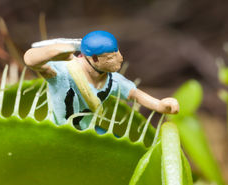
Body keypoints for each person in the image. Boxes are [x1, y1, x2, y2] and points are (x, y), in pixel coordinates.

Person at [24, 30, 179, 130]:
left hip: (87, 130)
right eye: (112, 57)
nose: (120, 58)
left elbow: (134, 94)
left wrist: (160, 105)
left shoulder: (112, 81)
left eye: (117, 52)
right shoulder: (64, 72)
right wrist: (54, 51)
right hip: (57, 131)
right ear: (95, 59)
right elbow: (31, 61)